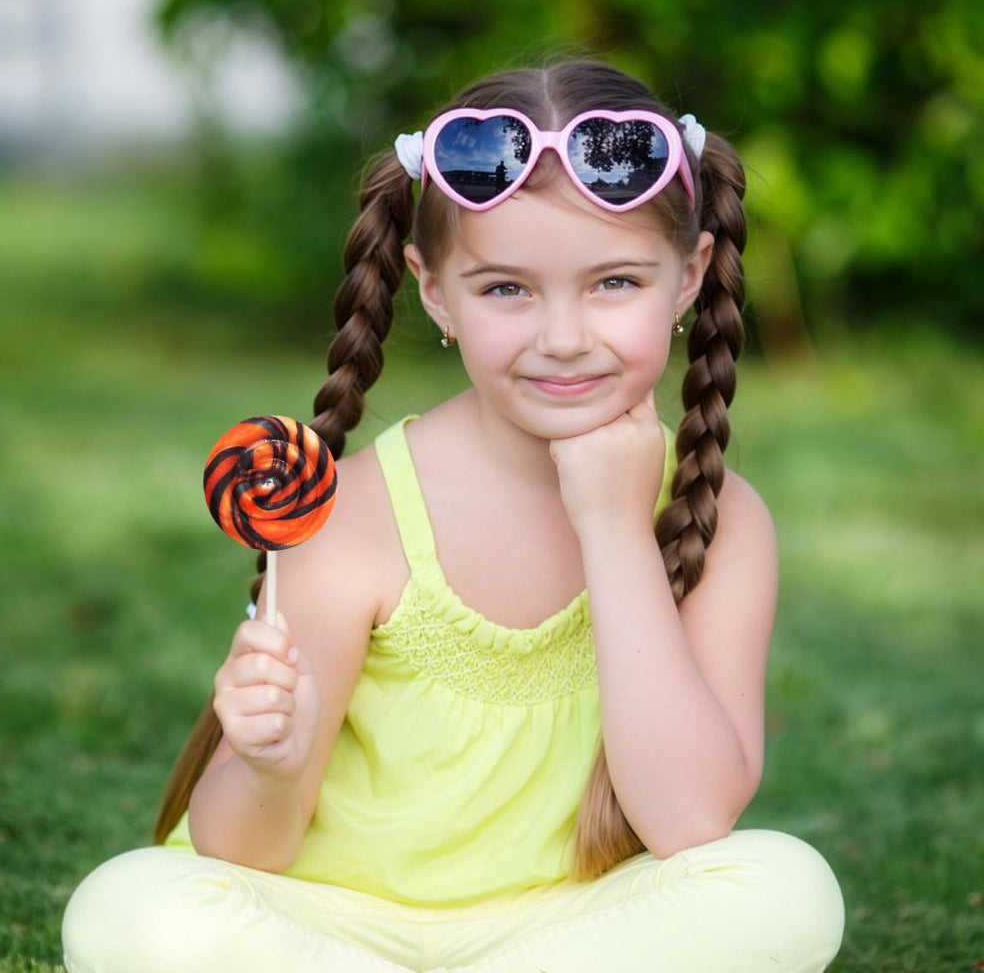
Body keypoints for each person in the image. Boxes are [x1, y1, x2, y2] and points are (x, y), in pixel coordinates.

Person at [62, 59, 845, 972]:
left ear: (688, 276)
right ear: (434, 290)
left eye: (615, 283)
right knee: (125, 912)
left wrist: (614, 529)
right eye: (506, 288)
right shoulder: (353, 513)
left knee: (785, 888)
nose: (563, 336)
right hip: (331, 925)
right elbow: (246, 851)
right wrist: (270, 763)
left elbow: (690, 822)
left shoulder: (722, 520)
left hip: (568, 934)